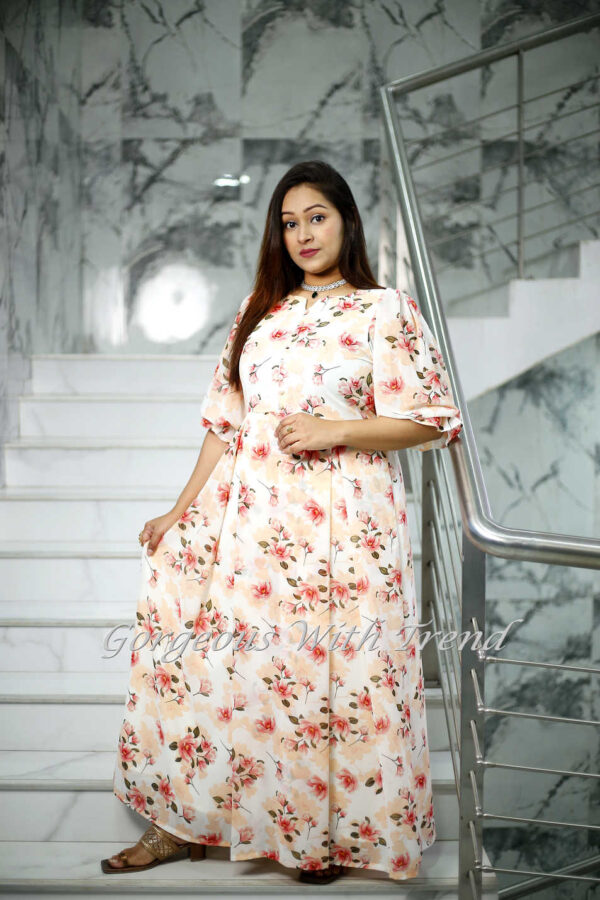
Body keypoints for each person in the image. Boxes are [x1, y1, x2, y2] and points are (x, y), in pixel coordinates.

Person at [102, 160, 463, 884]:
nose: (303, 234)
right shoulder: (258, 311)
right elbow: (224, 424)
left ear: (347, 221)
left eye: (317, 217)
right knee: (218, 662)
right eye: (289, 222)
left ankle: (318, 838)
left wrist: (337, 429)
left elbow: (432, 419)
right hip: (255, 518)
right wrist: (180, 509)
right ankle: (180, 822)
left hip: (345, 521)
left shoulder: (384, 310)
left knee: (325, 674)